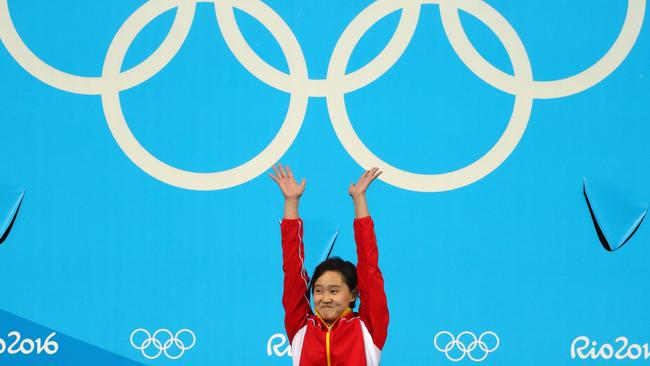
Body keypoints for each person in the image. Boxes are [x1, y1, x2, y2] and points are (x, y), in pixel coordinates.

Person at [270, 164, 389, 366]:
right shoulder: (301, 328)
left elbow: (369, 268)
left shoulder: (368, 328)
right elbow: (292, 270)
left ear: (353, 294)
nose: (325, 299)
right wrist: (291, 202)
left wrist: (359, 199)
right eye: (318, 291)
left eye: (334, 291)